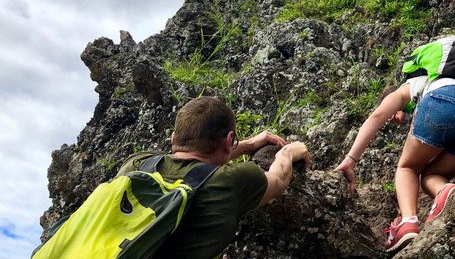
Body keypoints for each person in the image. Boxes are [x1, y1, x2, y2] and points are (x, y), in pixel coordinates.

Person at [118, 96, 311, 259]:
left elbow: (186, 160)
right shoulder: (230, 182)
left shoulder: (136, 164)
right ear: (228, 141)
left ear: (173, 138)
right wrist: (287, 152)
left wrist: (247, 145)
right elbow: (279, 180)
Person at [334, 75, 455, 253]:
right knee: (432, 175)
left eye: (391, 114)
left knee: (407, 167)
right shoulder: (440, 90)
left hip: (444, 103)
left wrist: (350, 161)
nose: (390, 118)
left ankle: (407, 222)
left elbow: (377, 116)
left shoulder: (408, 88)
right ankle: (448, 192)